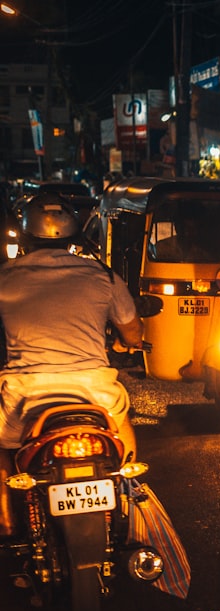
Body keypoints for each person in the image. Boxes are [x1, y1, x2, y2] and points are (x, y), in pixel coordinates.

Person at [0, 193, 143, 536]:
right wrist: (128, 342)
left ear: (25, 236)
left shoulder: (5, 277)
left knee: (3, 449)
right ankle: (129, 500)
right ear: (75, 236)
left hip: (23, 392)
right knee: (121, 432)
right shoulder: (103, 277)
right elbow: (134, 333)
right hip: (94, 389)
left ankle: (5, 522)